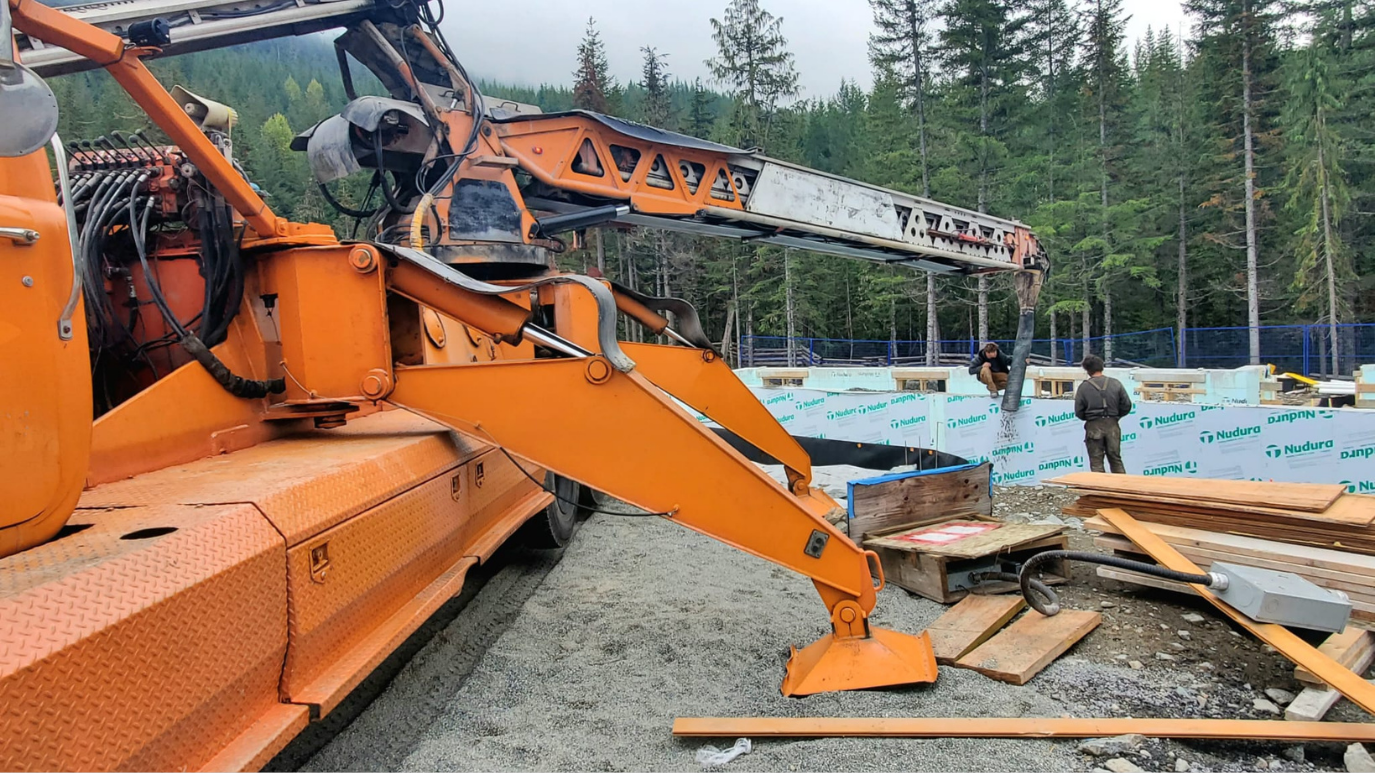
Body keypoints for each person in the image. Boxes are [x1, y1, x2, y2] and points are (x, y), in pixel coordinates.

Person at [1074, 354, 1133, 474]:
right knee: (1116, 459)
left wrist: (1090, 418)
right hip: (1112, 425)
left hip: (1093, 427)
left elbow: (1079, 411)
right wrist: (1115, 416)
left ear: (1087, 370)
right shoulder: (1116, 383)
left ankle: (1099, 490)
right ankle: (1122, 488)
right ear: (1102, 367)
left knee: (1096, 462)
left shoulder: (1084, 387)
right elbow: (1126, 405)